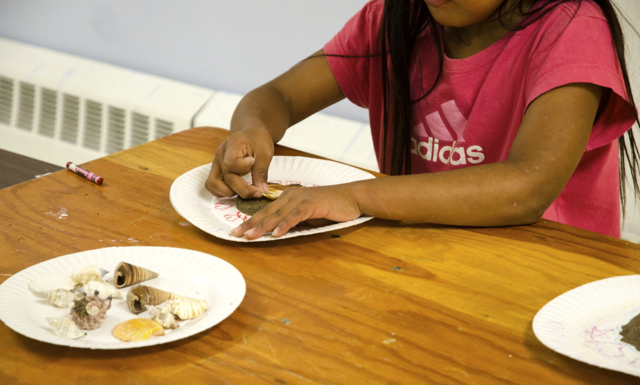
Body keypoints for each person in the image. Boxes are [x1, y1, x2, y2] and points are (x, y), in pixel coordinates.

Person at [205, 0, 639, 240]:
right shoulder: (395, 17)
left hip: (547, 274)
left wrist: (356, 195)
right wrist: (252, 129)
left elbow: (527, 189)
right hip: (431, 252)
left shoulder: (572, 28)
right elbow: (276, 95)